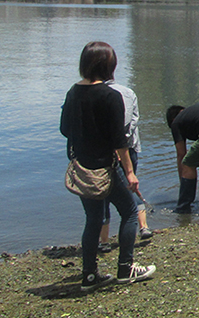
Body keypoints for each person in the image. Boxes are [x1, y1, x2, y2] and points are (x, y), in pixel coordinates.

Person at [60, 41, 155, 293]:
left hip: (82, 168)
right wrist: (130, 173)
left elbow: (64, 130)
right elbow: (119, 140)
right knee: (130, 213)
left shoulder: (72, 92)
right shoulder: (110, 96)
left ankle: (89, 276)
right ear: (109, 66)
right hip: (106, 169)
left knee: (93, 219)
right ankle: (126, 268)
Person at [98, 81, 153, 252]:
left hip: (107, 150)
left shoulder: (93, 93)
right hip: (129, 147)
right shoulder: (128, 92)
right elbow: (133, 120)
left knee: (103, 192)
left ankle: (104, 241)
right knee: (130, 187)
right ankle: (144, 227)